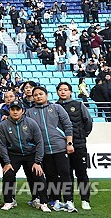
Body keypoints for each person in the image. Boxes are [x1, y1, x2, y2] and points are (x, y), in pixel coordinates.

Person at [25, 86, 77, 212]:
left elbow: (68, 125)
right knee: (51, 176)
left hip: (59, 147)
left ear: (46, 95)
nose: (38, 96)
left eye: (41, 94)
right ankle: (56, 200)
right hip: (44, 150)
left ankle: (69, 200)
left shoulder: (56, 108)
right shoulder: (29, 112)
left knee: (65, 173)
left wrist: (69, 143)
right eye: (35, 95)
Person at [0, 100, 51, 212]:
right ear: (9, 111)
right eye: (13, 109)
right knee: (8, 175)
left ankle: (43, 202)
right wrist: (7, 162)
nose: (15, 112)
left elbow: (39, 142)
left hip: (30, 154)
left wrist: (38, 162)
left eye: (18, 109)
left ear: (23, 111)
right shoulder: (3, 125)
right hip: (14, 154)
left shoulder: (31, 123)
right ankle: (9, 201)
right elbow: (2, 145)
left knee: (38, 174)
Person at [55, 82, 93, 210]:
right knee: (66, 174)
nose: (63, 92)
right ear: (57, 92)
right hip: (61, 147)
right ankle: (69, 200)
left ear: (70, 91)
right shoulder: (54, 107)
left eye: (66, 90)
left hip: (79, 144)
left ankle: (85, 200)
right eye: (60, 90)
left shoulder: (78, 105)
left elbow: (88, 122)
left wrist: (82, 135)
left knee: (81, 173)